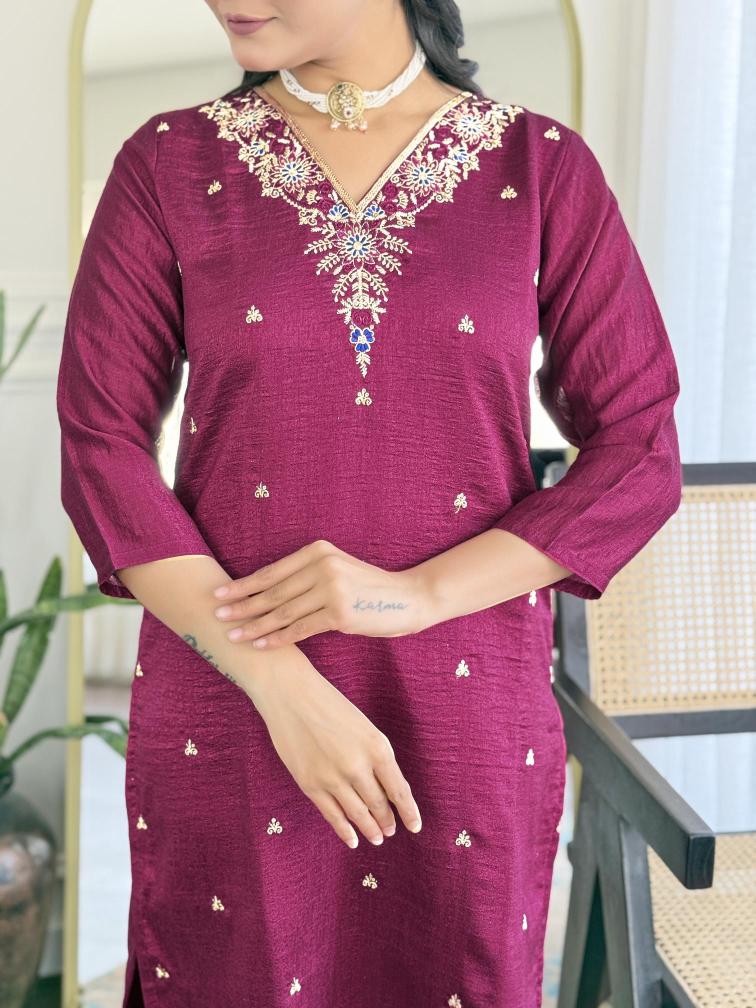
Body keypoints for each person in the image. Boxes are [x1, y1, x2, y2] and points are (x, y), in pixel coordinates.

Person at [56, 1, 683, 1005]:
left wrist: (416, 594)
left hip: (464, 711)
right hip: (234, 703)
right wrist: (279, 682)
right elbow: (101, 446)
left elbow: (639, 447)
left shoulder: (539, 169)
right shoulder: (169, 164)